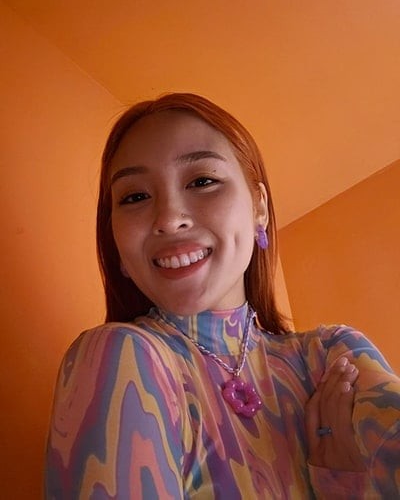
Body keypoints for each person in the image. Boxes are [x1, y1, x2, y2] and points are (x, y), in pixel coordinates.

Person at [45, 93, 400, 499]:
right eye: (135, 197)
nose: (169, 218)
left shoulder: (329, 358)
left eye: (202, 181)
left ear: (259, 207)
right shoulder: (120, 356)